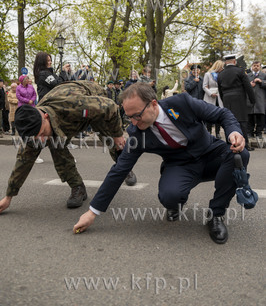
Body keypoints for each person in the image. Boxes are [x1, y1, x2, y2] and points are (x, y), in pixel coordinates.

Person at [74, 82, 249, 245]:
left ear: (153, 104)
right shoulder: (137, 134)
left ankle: (216, 214)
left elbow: (222, 114)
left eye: (137, 115)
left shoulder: (182, 103)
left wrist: (234, 132)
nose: (134, 122)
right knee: (170, 196)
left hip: (210, 154)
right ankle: (176, 203)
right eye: (129, 117)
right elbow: (119, 170)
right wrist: (92, 212)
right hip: (180, 166)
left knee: (239, 155)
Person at [0, 81, 137, 215]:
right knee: (56, 148)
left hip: (92, 103)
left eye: (42, 134)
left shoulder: (71, 104)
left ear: (45, 117)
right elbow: (23, 161)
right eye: (36, 139)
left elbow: (110, 107)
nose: (40, 141)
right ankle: (77, 187)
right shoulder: (32, 129)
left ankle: (124, 168)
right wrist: (8, 197)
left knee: (111, 139)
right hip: (66, 120)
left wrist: (118, 134)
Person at [218, 55, 255, 151]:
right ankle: (245, 144)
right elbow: (248, 87)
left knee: (229, 121)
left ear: (226, 62)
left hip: (227, 99)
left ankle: (230, 143)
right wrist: (252, 100)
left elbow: (220, 90)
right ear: (234, 61)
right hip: (239, 99)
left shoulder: (221, 74)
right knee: (242, 122)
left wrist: (224, 100)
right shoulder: (240, 71)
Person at [203, 60, 224, 139]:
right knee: (210, 114)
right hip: (210, 96)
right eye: (221, 67)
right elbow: (204, 86)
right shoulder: (208, 74)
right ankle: (209, 131)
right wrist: (210, 93)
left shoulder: (222, 75)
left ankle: (218, 132)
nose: (222, 68)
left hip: (219, 96)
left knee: (218, 114)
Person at [247, 61, 266, 139]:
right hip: (250, 100)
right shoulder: (248, 76)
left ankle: (259, 133)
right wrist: (249, 85)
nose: (256, 67)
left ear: (260, 67)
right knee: (250, 117)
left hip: (260, 99)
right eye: (254, 65)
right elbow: (244, 86)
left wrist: (261, 82)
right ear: (252, 66)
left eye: (257, 66)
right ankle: (250, 132)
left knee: (260, 117)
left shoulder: (264, 75)